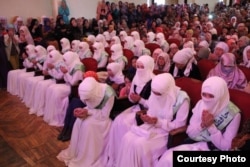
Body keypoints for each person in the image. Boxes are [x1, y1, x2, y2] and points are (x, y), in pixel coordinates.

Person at [156, 76, 241, 167]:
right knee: (168, 159)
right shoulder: (201, 104)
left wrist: (211, 127)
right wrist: (202, 125)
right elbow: (190, 133)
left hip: (214, 150)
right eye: (204, 94)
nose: (206, 99)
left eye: (211, 96)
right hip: (194, 144)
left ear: (221, 95)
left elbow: (226, 147)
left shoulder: (233, 114)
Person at [116, 73, 190, 167]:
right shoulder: (155, 89)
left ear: (167, 90)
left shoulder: (182, 100)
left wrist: (158, 122)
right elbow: (151, 108)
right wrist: (147, 118)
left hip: (167, 132)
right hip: (151, 126)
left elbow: (179, 126)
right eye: (154, 93)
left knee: (140, 145)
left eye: (159, 94)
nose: (156, 96)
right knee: (127, 138)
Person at [103, 55, 155, 167]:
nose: (140, 69)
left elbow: (155, 105)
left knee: (126, 125)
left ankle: (126, 160)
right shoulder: (136, 78)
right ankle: (117, 155)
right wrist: (132, 97)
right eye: (138, 67)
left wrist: (140, 100)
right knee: (118, 121)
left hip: (147, 112)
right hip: (135, 108)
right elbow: (131, 98)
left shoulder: (154, 82)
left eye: (143, 67)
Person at [57, 77, 116, 166]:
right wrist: (83, 110)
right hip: (92, 113)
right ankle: (77, 152)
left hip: (103, 119)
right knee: (78, 121)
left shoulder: (109, 93)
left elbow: (104, 115)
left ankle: (87, 156)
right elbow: (89, 106)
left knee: (88, 125)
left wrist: (88, 112)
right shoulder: (87, 90)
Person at [43, 51, 84, 126]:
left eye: (65, 60)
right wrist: (64, 73)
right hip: (67, 84)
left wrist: (65, 73)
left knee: (56, 91)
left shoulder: (78, 67)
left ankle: (60, 116)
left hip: (74, 88)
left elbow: (73, 83)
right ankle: (55, 116)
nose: (64, 62)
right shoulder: (70, 64)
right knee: (51, 89)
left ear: (70, 58)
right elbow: (65, 79)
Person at [57, 71, 99, 142]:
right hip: (85, 102)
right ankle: (66, 127)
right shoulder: (84, 84)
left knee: (76, 103)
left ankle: (70, 129)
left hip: (91, 105)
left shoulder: (97, 86)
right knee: (74, 101)